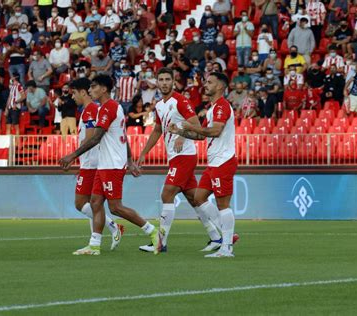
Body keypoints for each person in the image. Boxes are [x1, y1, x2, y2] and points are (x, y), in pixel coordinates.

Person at [59, 74, 161, 256]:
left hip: (112, 164)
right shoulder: (112, 107)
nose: (91, 90)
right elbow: (123, 136)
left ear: (104, 89)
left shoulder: (109, 108)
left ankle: (152, 231)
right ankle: (94, 245)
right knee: (95, 202)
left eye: (94, 86)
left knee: (115, 207)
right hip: (105, 164)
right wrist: (130, 160)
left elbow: (96, 137)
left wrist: (72, 155)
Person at [137, 67, 227, 253]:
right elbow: (157, 130)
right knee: (194, 199)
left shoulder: (180, 101)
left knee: (167, 194)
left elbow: (195, 124)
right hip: (175, 157)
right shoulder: (160, 104)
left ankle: (160, 242)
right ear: (157, 82)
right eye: (160, 79)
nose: (164, 83)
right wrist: (144, 152)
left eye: (167, 79)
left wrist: (182, 136)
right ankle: (216, 237)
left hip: (184, 156)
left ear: (173, 81)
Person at [169, 72, 238, 258]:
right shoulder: (212, 108)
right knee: (199, 198)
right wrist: (181, 131)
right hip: (214, 161)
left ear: (221, 87)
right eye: (206, 82)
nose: (205, 85)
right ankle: (228, 234)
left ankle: (226, 247)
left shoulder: (222, 106)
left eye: (210, 82)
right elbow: (201, 135)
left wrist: (189, 126)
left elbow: (215, 131)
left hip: (223, 160)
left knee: (223, 204)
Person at [68, 77, 124, 249]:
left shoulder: (92, 109)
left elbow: (92, 138)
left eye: (74, 93)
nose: (72, 97)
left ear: (83, 92)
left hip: (92, 163)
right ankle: (96, 240)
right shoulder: (89, 110)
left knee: (84, 203)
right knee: (92, 203)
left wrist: (72, 155)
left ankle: (111, 228)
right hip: (89, 163)